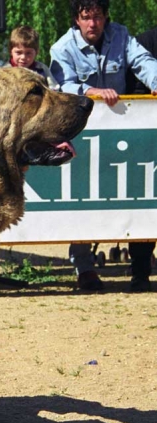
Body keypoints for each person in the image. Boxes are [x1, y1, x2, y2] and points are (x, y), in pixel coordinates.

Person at [50, 0, 157, 291]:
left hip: (120, 133)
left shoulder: (122, 35)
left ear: (105, 17)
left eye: (98, 17)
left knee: (135, 193)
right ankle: (84, 268)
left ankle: (140, 267)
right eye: (87, 18)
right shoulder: (61, 48)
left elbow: (143, 61)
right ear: (77, 19)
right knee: (84, 198)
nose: (93, 23)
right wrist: (92, 91)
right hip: (80, 134)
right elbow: (62, 87)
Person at [123, 26, 157, 292]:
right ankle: (141, 272)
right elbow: (132, 83)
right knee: (145, 204)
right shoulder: (147, 40)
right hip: (149, 138)